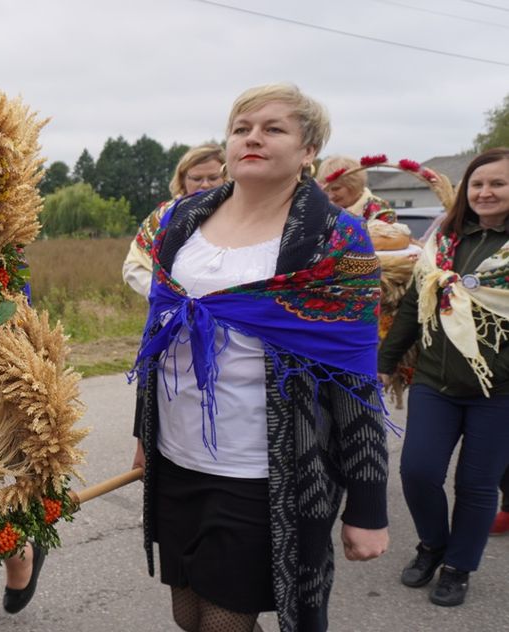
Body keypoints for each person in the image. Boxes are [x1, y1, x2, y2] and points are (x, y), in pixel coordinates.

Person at [128, 84, 390, 632]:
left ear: (307, 151)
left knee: (225, 619)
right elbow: (159, 338)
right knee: (186, 611)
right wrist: (141, 435)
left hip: (261, 468)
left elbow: (353, 372)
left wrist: (368, 509)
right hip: (177, 457)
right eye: (242, 127)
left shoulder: (339, 240)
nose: (252, 138)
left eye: (274, 129)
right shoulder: (180, 220)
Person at [378, 147, 509, 607]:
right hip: (436, 381)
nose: (486, 192)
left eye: (498, 183)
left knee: (475, 486)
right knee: (417, 471)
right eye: (478, 184)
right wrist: (386, 360)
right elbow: (415, 304)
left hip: (500, 392)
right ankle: (433, 544)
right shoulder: (445, 242)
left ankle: (458, 567)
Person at [123, 143, 226, 296]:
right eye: (197, 178)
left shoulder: (243, 215)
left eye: (213, 178)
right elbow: (133, 267)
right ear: (183, 179)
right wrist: (164, 297)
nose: (205, 185)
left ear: (226, 177)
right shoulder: (164, 216)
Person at [316, 155, 397, 223]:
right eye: (326, 189)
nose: (330, 196)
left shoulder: (381, 213)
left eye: (336, 188)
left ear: (354, 183)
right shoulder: (325, 209)